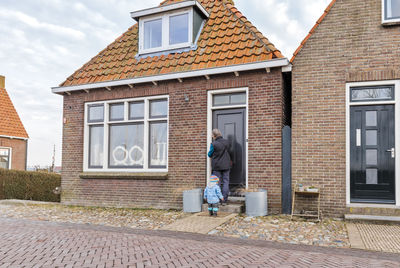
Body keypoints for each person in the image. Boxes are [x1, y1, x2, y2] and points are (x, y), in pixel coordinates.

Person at [208, 129, 231, 205]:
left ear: (214, 135)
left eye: (212, 135)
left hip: (217, 166)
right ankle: (224, 200)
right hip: (226, 165)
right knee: (226, 182)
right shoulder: (227, 142)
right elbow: (230, 152)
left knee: (217, 183)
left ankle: (217, 200)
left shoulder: (214, 144)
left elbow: (209, 154)